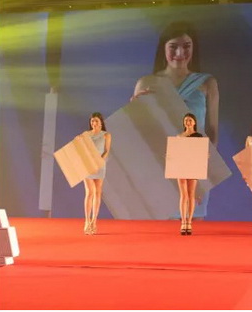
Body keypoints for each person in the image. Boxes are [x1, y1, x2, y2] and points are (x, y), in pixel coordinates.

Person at [132, 21, 219, 219]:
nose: (180, 52)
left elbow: (212, 132)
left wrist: (204, 176)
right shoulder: (146, 83)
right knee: (160, 230)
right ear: (163, 48)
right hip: (158, 166)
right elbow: (138, 135)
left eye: (186, 46)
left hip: (193, 165)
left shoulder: (207, 83)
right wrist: (134, 110)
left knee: (193, 225)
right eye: (173, 47)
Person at [81, 112, 112, 235]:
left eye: (96, 121)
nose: (94, 123)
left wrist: (99, 162)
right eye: (92, 121)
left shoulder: (106, 135)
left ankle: (94, 221)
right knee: (89, 192)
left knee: (98, 192)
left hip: (99, 165)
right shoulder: (86, 135)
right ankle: (87, 221)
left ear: (101, 123)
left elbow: (106, 151)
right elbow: (81, 149)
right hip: (87, 165)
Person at [176, 113, 203, 235]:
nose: (188, 122)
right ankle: (183, 221)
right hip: (181, 166)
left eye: (190, 120)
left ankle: (189, 221)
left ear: (194, 122)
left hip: (193, 166)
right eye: (186, 120)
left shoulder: (199, 137)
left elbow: (201, 152)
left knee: (191, 194)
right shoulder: (179, 137)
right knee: (183, 194)